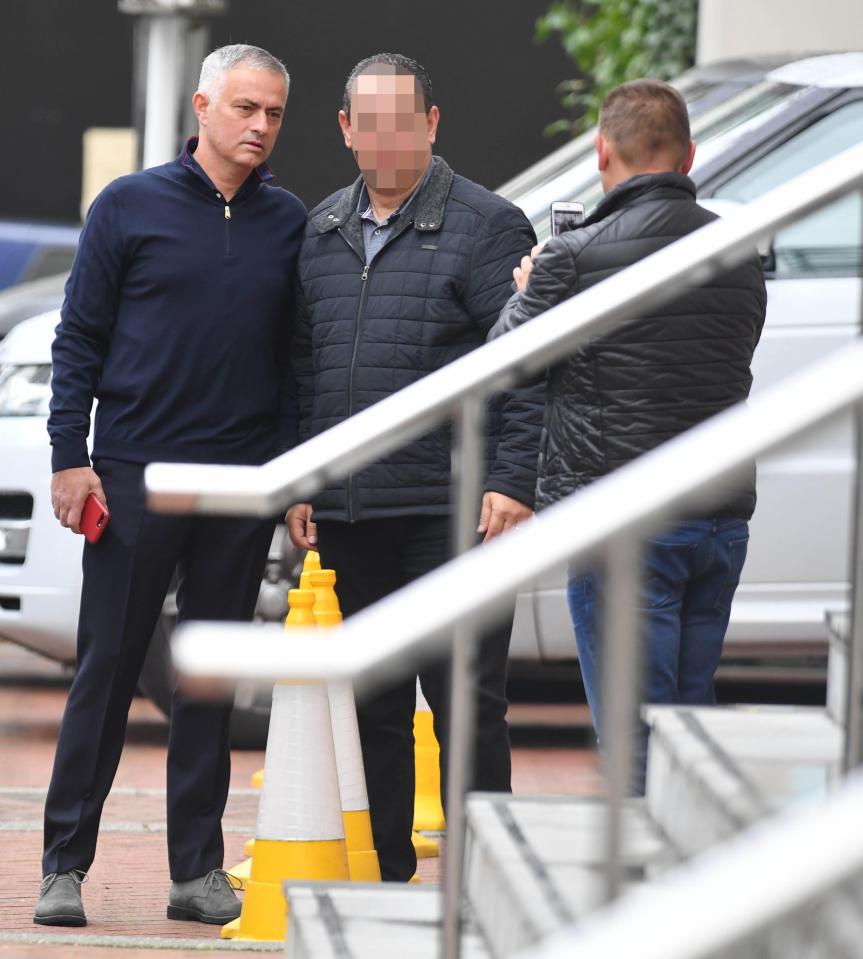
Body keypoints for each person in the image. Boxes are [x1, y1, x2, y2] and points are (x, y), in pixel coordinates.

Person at [37, 44, 306, 927]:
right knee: (105, 669)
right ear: (202, 107)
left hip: (239, 485)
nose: (259, 126)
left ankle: (196, 871)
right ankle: (62, 866)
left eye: (272, 112)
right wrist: (68, 456)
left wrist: (292, 471)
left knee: (208, 682)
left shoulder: (290, 222)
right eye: (244, 108)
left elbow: (296, 361)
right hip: (133, 476)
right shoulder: (127, 206)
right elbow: (78, 339)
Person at [286, 53, 543, 881]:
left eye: (405, 120)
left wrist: (510, 479)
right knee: (375, 705)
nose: (386, 137)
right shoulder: (320, 230)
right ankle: (389, 873)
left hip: (456, 509)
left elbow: (528, 365)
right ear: (345, 129)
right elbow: (302, 367)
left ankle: (481, 879)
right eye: (371, 121)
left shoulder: (490, 225)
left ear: (432, 124)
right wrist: (299, 480)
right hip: (353, 510)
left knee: (468, 701)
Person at [489, 79, 767, 791]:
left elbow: (500, 364)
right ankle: (695, 878)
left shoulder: (573, 256)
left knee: (633, 735)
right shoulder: (737, 250)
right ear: (688, 155)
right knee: (686, 719)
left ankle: (650, 889)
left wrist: (528, 292)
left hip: (622, 521)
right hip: (716, 520)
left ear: (601, 149)